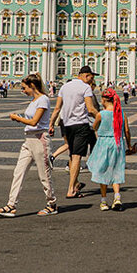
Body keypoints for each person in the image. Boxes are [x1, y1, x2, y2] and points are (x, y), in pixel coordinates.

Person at [0, 74, 56, 217]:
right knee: (18, 172)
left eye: (24, 88)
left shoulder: (43, 100)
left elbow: (34, 122)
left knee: (44, 174)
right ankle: (11, 205)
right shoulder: (33, 101)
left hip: (40, 139)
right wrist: (20, 119)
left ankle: (52, 204)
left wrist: (17, 118)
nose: (23, 90)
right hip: (28, 140)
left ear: (32, 86)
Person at [48, 65, 99, 199]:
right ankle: (71, 189)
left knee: (72, 156)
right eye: (91, 78)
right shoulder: (86, 88)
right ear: (85, 76)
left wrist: (51, 124)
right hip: (80, 125)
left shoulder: (65, 86)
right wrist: (102, 117)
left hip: (66, 124)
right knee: (77, 157)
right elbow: (90, 109)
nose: (91, 81)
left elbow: (57, 108)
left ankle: (75, 183)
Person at [89, 88, 132, 211]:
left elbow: (94, 127)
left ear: (103, 100)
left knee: (103, 170)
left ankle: (103, 201)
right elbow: (127, 131)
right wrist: (129, 146)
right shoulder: (121, 113)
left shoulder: (101, 114)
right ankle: (117, 197)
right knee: (116, 169)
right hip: (117, 143)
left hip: (103, 144)